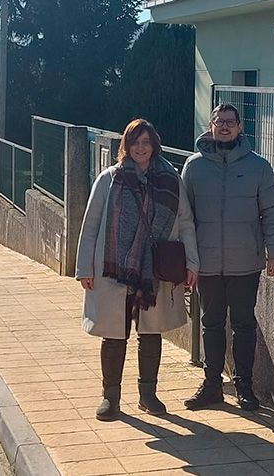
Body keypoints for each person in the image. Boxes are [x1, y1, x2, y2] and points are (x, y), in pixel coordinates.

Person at [75, 118, 199, 421]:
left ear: (154, 145)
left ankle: (148, 394)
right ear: (126, 146)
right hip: (113, 267)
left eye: (146, 142)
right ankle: (111, 397)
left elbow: (185, 223)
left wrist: (192, 263)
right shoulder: (109, 179)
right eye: (135, 142)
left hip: (154, 269)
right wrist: (84, 268)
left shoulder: (171, 179)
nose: (141, 148)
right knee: (114, 332)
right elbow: (90, 225)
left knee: (150, 330)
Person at [181, 103, 274, 411]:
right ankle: (212, 385)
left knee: (243, 324)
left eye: (230, 122)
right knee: (210, 323)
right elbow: (183, 217)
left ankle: (244, 387)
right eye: (219, 121)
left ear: (241, 127)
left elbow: (272, 212)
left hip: (245, 263)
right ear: (210, 126)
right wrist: (186, 258)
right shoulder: (194, 167)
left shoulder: (259, 166)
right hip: (207, 262)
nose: (224, 126)